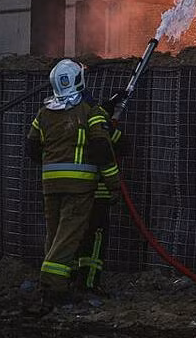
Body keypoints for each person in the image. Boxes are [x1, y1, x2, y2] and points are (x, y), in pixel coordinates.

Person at [25, 59, 121, 306]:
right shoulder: (88, 112)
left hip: (50, 186)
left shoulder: (44, 113)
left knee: (55, 234)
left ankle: (55, 281)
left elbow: (32, 148)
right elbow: (102, 149)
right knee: (68, 235)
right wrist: (113, 183)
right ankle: (52, 284)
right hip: (79, 187)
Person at [73, 91, 129, 297]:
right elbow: (118, 147)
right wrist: (115, 185)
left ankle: (70, 280)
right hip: (97, 192)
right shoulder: (97, 123)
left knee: (71, 236)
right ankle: (89, 284)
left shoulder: (64, 121)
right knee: (95, 239)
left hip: (72, 193)